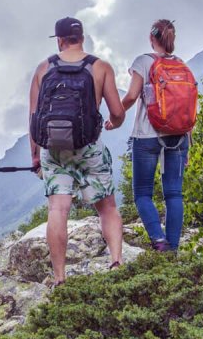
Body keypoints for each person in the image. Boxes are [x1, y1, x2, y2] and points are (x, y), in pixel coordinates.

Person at [29, 16, 126, 286]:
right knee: (107, 207)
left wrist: (36, 158)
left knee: (58, 210)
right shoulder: (100, 67)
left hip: (53, 149)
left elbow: (34, 117)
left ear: (59, 40)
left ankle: (60, 279)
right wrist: (113, 123)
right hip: (89, 146)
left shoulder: (43, 68)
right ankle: (116, 262)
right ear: (82, 37)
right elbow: (117, 113)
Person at [115, 19, 192, 251]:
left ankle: (159, 242)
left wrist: (114, 117)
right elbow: (187, 108)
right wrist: (188, 143)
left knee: (142, 194)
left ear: (151, 38)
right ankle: (173, 248)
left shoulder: (144, 61)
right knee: (174, 194)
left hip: (147, 137)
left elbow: (130, 96)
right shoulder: (182, 65)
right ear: (172, 39)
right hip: (179, 136)